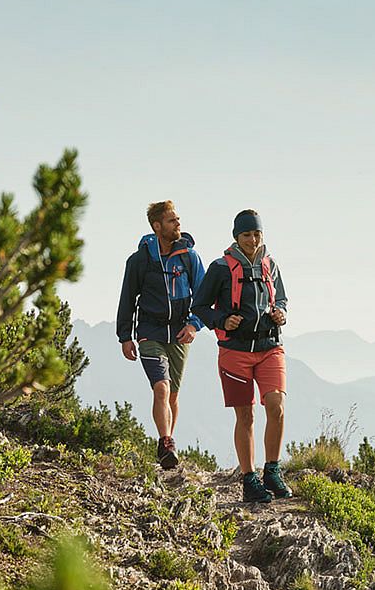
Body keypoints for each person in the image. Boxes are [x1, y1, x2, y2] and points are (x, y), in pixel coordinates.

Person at [191, 209, 290, 503]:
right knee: (245, 415)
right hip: (235, 351)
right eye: (247, 234)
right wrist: (222, 320)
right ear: (236, 236)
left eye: (257, 233)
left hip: (270, 345)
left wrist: (281, 313)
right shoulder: (221, 268)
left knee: (277, 405)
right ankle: (249, 479)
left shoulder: (271, 265)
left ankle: (271, 470)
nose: (253, 239)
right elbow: (200, 307)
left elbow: (281, 298)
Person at [115, 200, 206, 469]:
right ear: (157, 226)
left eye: (178, 219)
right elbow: (127, 299)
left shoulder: (189, 256)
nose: (178, 224)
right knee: (162, 388)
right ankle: (166, 441)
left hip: (179, 333)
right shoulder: (140, 260)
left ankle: (166, 446)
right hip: (149, 332)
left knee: (173, 396)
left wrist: (194, 324)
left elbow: (202, 295)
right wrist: (125, 336)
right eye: (171, 221)